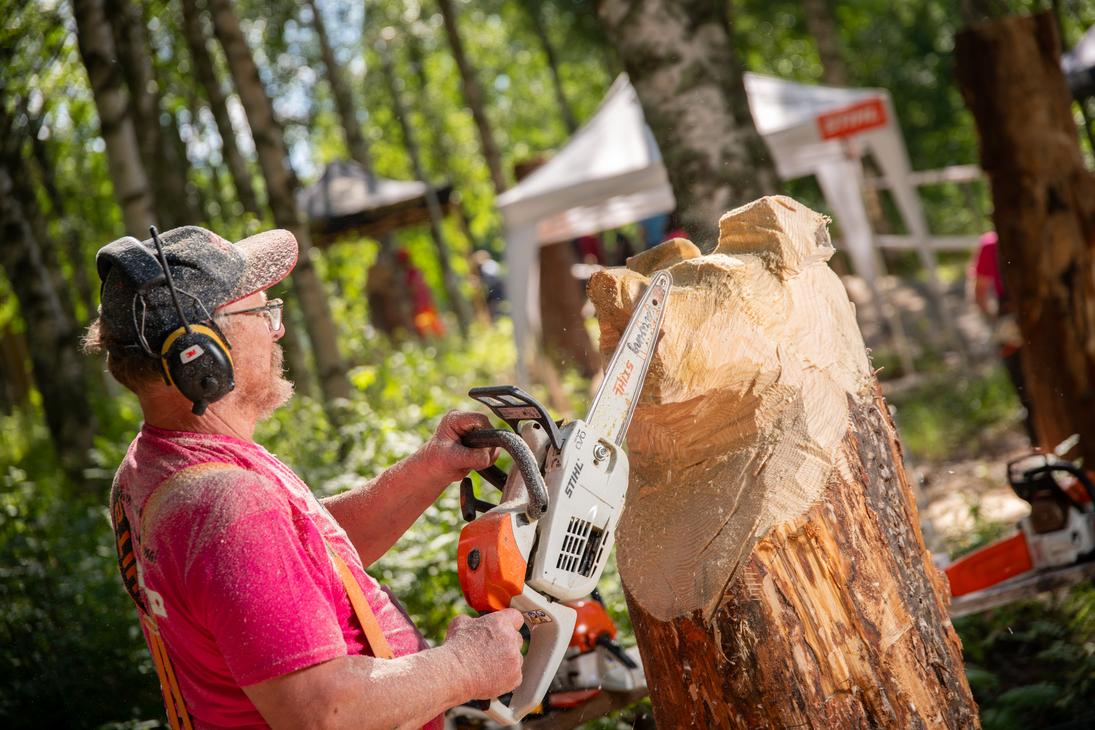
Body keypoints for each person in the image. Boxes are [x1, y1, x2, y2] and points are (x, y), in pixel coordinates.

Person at [84, 226, 523, 729]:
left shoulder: (157, 464)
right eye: (263, 313)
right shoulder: (226, 504)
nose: (278, 330)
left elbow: (299, 559)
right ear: (199, 353)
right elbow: (322, 713)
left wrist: (430, 467)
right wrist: (466, 666)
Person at [970, 230, 1036, 443]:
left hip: (1014, 319)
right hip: (1032, 316)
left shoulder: (991, 244)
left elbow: (980, 293)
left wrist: (994, 320)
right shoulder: (996, 243)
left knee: (1025, 389)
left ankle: (1040, 443)